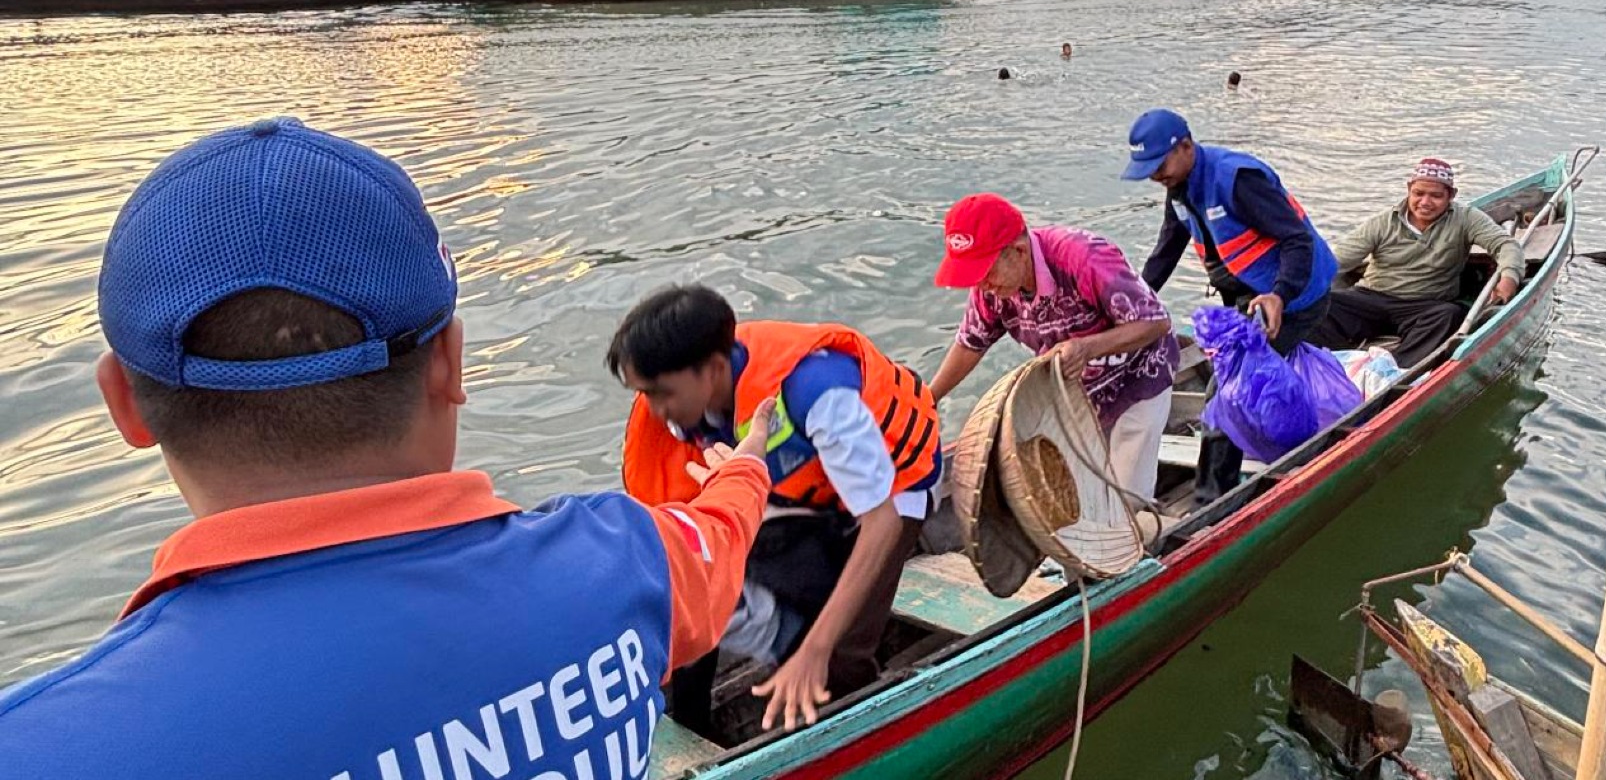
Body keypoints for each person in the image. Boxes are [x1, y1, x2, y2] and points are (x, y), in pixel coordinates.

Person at [0, 119, 772, 780]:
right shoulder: (626, 560)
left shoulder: (44, 748)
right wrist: (747, 460)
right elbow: (722, 532)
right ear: (450, 364)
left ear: (124, 405)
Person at [609, 286, 940, 733]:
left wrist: (817, 650)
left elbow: (882, 522)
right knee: (698, 586)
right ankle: (691, 725)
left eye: (662, 392)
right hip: (805, 491)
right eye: (644, 393)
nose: (655, 409)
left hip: (893, 490)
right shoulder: (691, 405)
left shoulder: (816, 392)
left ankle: (866, 714)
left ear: (714, 370)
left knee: (839, 657)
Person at [1125, 108, 1340, 500]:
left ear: (1186, 146)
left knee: (1226, 389)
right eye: (1148, 170)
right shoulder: (1178, 188)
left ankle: (1212, 501)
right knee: (1242, 374)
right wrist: (1131, 302)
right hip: (1246, 298)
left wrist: (1281, 294)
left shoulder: (1238, 179)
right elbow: (1166, 250)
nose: (1156, 176)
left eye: (1160, 165)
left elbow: (1297, 240)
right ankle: (1269, 428)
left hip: (1295, 296)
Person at [926, 194, 1177, 506]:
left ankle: (1133, 535)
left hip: (1139, 374)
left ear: (1017, 252)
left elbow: (1155, 323)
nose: (982, 286)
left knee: (1126, 496)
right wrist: (929, 397)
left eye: (985, 273)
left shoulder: (1084, 258)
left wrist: (1087, 347)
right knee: (1073, 492)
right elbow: (970, 344)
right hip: (1077, 389)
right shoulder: (991, 288)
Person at [1312, 158, 1526, 367]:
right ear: (1409, 190)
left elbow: (1506, 246)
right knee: (1318, 305)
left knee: (1449, 315)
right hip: (1372, 298)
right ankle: (1337, 363)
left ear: (1451, 195)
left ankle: (1396, 370)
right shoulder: (1382, 222)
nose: (1425, 202)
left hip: (1425, 305)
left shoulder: (1466, 218)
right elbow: (1336, 261)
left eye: (1436, 196)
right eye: (1418, 193)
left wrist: (1509, 277)